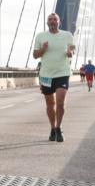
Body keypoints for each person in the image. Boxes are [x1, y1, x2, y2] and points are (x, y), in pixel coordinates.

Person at [32, 13, 75, 142]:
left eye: (54, 19)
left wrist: (69, 53)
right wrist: (43, 50)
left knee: (60, 104)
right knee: (50, 104)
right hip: (46, 75)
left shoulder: (67, 35)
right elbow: (35, 55)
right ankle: (52, 128)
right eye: (50, 19)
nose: (52, 21)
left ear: (59, 22)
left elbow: (72, 50)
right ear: (47, 22)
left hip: (62, 73)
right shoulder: (41, 36)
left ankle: (58, 128)